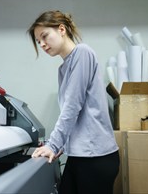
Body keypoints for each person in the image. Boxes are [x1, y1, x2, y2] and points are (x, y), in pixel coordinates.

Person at [27, 10, 120, 194]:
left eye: (44, 36)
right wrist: (60, 145)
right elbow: (73, 114)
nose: (43, 44)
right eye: (39, 41)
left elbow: (72, 107)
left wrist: (53, 144)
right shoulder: (63, 68)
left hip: (96, 156)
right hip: (80, 155)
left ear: (61, 29)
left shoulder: (82, 53)